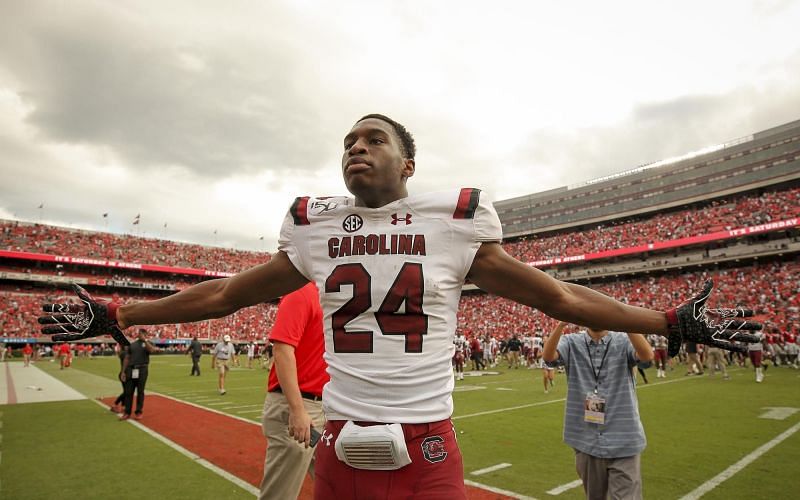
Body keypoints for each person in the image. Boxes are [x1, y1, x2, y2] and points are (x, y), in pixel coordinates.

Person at [39, 114, 761, 499]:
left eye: (373, 138)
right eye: (348, 141)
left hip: (426, 447)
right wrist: (121, 315)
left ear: (407, 165)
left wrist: (666, 323)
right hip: (339, 440)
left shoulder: (453, 224)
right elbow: (228, 294)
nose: (356, 148)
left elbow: (562, 296)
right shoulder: (316, 228)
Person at [543, 321, 654, 500]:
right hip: (586, 439)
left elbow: (647, 358)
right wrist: (561, 324)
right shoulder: (571, 341)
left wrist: (623, 319)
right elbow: (548, 357)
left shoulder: (623, 340)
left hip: (623, 438)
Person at [260, 282, 328, 500]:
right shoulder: (302, 292)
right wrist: (297, 410)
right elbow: (281, 349)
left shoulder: (334, 294)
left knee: (337, 484)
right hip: (299, 405)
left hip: (323, 408)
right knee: (280, 494)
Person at [120, 328, 159, 420]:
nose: (140, 335)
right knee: (129, 392)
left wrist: (145, 340)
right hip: (131, 369)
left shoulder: (148, 343)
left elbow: (152, 350)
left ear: (146, 335)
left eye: (143, 334)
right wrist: (123, 371)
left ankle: (138, 412)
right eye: (140, 334)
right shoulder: (132, 344)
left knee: (140, 392)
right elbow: (127, 358)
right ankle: (127, 412)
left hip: (142, 369)